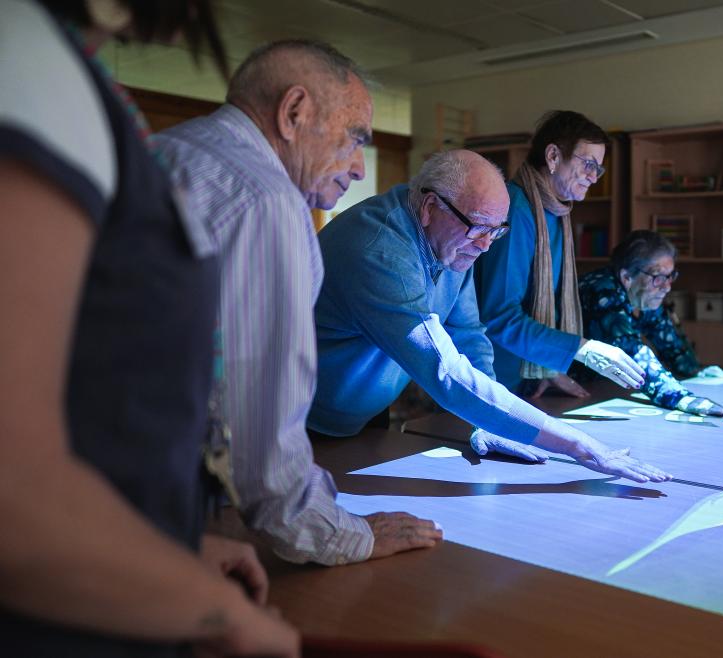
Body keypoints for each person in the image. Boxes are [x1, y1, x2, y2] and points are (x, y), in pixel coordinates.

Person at [0, 1, 296, 656]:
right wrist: (221, 613)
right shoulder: (20, 53)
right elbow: (13, 494)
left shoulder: (66, 73)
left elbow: (97, 396)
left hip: (98, 584)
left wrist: (163, 546)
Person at [153, 40, 440, 567]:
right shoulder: (265, 202)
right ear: (293, 113)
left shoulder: (169, 150)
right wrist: (346, 535)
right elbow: (256, 427)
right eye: (355, 138)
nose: (358, 167)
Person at [310, 149, 670, 484]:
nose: (485, 245)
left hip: (363, 411)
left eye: (496, 231)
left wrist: (486, 425)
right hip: (303, 418)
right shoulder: (382, 251)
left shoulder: (453, 240)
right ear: (430, 206)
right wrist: (578, 445)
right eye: (479, 227)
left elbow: (468, 334)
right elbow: (447, 372)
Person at [475, 110, 645, 399]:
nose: (593, 177)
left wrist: (549, 370)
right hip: (492, 378)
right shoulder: (516, 208)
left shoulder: (557, 212)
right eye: (589, 164)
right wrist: (582, 348)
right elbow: (498, 316)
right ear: (553, 156)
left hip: (529, 378)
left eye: (599, 169)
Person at [577, 230, 723, 415]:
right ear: (627, 277)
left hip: (596, 389)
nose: (667, 287)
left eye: (670, 276)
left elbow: (670, 343)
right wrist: (680, 397)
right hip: (557, 388)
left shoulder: (645, 295)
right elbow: (630, 350)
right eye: (658, 277)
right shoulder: (602, 291)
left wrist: (695, 371)